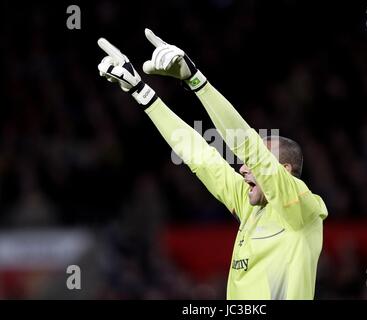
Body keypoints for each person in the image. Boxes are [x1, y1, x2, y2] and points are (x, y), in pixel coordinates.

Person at [96, 29, 328, 300]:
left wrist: (195, 79)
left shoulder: (303, 208)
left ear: (286, 172)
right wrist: (141, 91)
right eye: (245, 164)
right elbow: (199, 155)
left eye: (254, 164)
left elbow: (247, 144)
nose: (242, 168)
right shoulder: (247, 203)